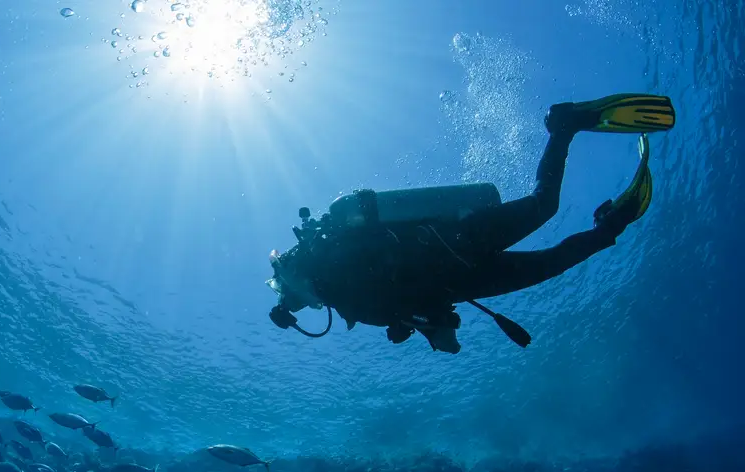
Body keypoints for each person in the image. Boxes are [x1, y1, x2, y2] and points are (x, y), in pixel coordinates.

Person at [266, 93, 676, 353]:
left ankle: (609, 220)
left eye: (296, 300)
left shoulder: (348, 296)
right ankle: (570, 143)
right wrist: (413, 324)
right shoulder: (342, 273)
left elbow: (426, 312)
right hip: (457, 251)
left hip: (461, 257)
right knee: (544, 214)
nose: (307, 305)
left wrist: (433, 336)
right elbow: (413, 299)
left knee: (550, 254)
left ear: (299, 290)